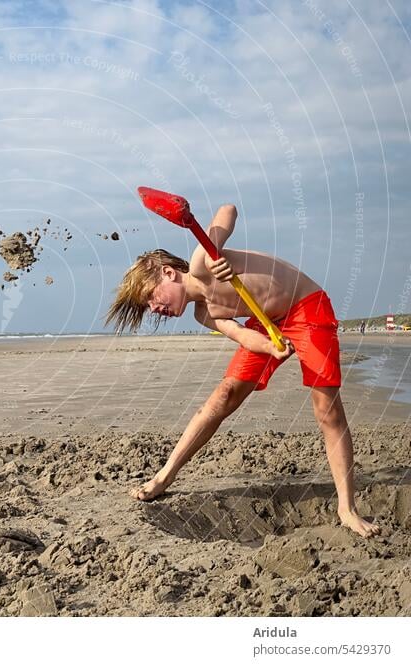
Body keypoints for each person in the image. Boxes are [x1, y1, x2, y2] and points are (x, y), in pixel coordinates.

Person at [106, 204, 379, 538]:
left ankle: (346, 508)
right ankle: (165, 476)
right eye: (149, 308)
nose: (155, 309)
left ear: (168, 273)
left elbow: (227, 209)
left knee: (326, 409)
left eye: (151, 298)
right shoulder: (202, 314)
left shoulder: (202, 261)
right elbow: (241, 334)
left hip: (305, 306)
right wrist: (269, 347)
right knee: (224, 395)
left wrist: (216, 245)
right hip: (265, 324)